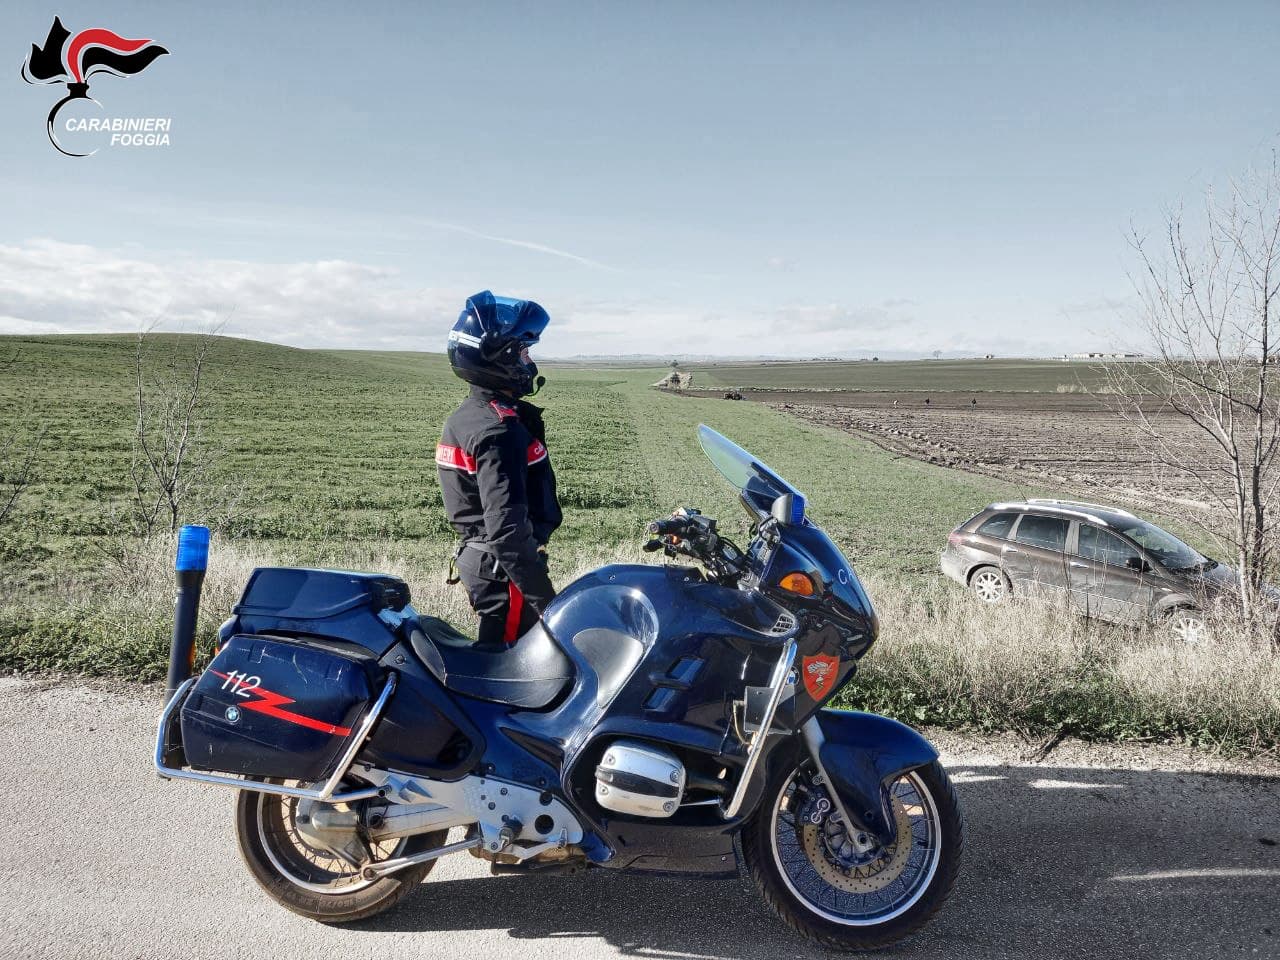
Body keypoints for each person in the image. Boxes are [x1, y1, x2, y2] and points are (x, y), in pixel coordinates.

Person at [436, 291, 562, 647]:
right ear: (500, 358)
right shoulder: (498, 430)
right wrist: (546, 602)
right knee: (507, 670)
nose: (529, 361)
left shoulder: (470, 415)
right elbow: (506, 531)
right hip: (505, 572)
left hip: (487, 565)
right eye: (524, 352)